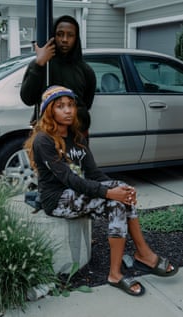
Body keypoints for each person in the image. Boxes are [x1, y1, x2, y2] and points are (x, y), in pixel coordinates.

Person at [24, 85, 178, 297]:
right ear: (49, 111)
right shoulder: (44, 140)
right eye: (60, 106)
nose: (68, 110)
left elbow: (94, 174)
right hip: (57, 199)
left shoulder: (77, 137)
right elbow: (69, 179)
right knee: (114, 200)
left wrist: (118, 189)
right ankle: (128, 265)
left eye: (70, 105)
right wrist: (109, 193)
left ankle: (136, 259)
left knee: (122, 193)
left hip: (78, 194)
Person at [20, 15, 96, 137]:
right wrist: (39, 65)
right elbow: (27, 98)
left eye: (70, 35)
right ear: (54, 36)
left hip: (76, 137)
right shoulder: (43, 65)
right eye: (60, 34)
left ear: (76, 38)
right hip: (47, 136)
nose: (64, 39)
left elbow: (86, 104)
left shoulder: (86, 71)